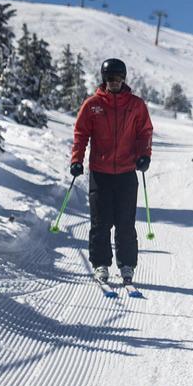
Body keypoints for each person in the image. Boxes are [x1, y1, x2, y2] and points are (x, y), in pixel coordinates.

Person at [70, 58, 153, 285]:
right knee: (100, 222)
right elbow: (81, 134)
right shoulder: (93, 104)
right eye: (109, 79)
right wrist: (76, 160)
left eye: (117, 79)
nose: (114, 83)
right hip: (100, 172)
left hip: (127, 172)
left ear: (123, 79)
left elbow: (145, 132)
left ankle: (127, 265)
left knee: (125, 222)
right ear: (104, 79)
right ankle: (100, 264)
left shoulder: (136, 105)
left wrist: (144, 155)